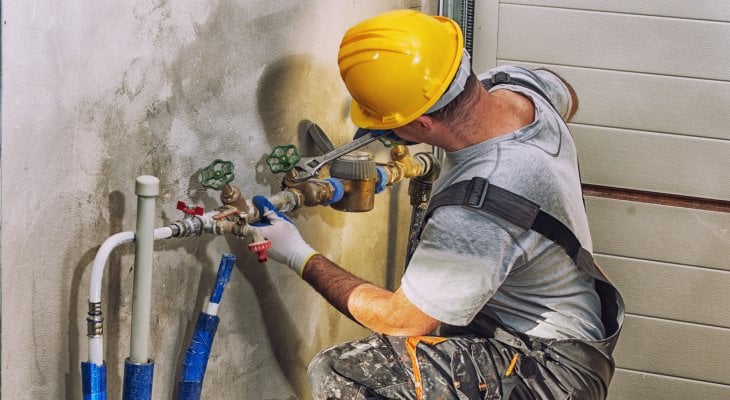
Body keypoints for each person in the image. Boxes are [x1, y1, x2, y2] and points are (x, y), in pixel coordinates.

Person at [252, 9, 623, 400]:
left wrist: (296, 252)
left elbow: (401, 321)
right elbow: (567, 92)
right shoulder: (517, 86)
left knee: (345, 373)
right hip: (566, 327)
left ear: (423, 126)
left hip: (549, 374)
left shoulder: (478, 208)